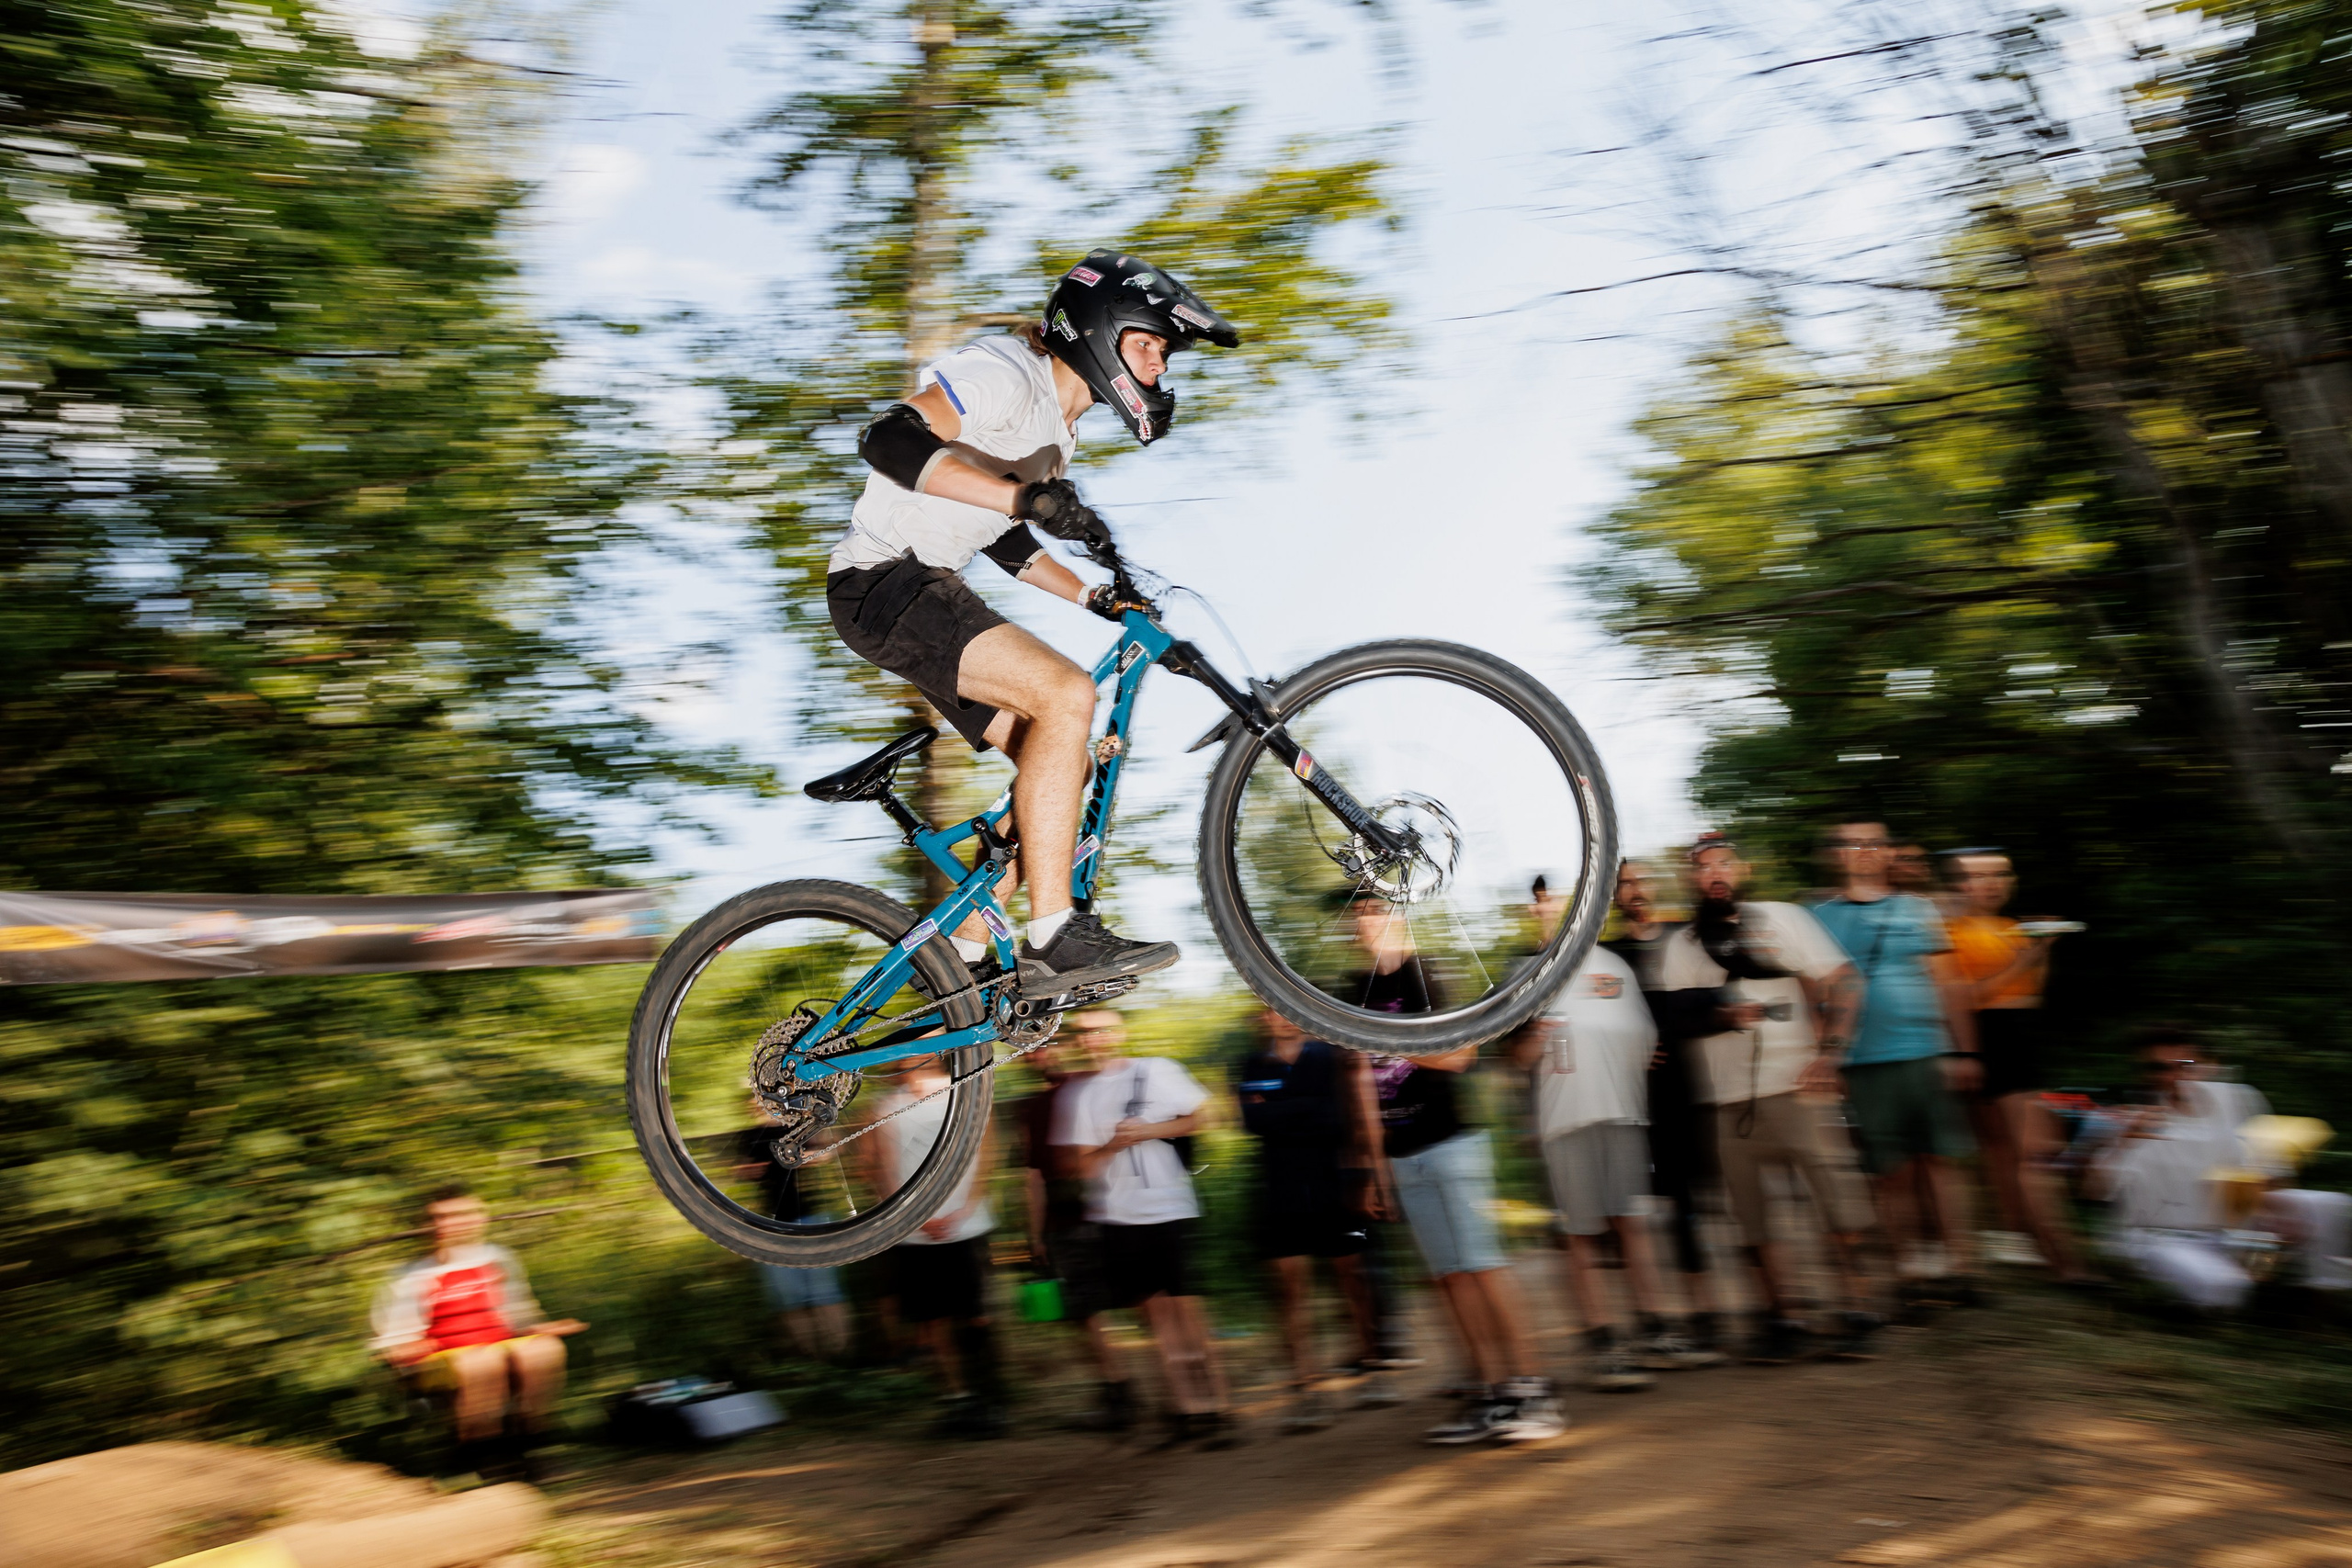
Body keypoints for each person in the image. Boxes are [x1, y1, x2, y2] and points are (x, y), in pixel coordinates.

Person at [828, 250, 1237, 993]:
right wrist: (1023, 497)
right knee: (1067, 694)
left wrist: (1093, 595)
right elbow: (888, 441)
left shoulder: (1059, 431)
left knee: (1064, 761)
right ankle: (1055, 934)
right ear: (1100, 329)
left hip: (918, 590)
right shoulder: (1009, 372)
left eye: (1165, 354)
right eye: (1149, 344)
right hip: (885, 582)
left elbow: (1005, 539)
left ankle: (959, 956)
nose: (1159, 366)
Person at [1656, 834, 1880, 1363]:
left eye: (1725, 863)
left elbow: (1845, 980)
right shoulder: (1681, 944)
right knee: (1753, 1218)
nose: (1715, 873)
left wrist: (1831, 1053)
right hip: (1726, 1100)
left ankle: (1857, 1309)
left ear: (1744, 869)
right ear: (1692, 878)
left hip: (1800, 1084)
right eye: (1704, 867)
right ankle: (1784, 1318)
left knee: (1837, 1202)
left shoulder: (1785, 918)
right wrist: (1722, 1015)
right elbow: (1672, 1019)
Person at [1349, 895, 1560, 1446]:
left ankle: (1534, 1391)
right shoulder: (1356, 990)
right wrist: (1375, 1167)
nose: (1365, 920)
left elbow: (1462, 1055)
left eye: (1376, 909)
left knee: (1482, 1266)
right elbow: (1361, 1082)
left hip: (1452, 1144)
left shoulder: (1428, 971)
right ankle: (1492, 1395)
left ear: (1399, 915)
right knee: (1449, 1278)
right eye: (1359, 912)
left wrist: (1391, 1042)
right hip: (1402, 1156)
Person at [1516, 940, 1716, 1394]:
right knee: (1581, 1236)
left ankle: (1655, 1331)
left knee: (1633, 1226)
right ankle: (1605, 1345)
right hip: (1566, 1123)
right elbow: (1518, 1057)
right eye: (1543, 906)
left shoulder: (1614, 964)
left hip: (1624, 1116)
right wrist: (1536, 1038)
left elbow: (1645, 1039)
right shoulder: (1531, 970)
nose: (1554, 913)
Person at [1812, 822, 1986, 1310]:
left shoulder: (1919, 909)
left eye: (1874, 843)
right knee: (1890, 1173)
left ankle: (1962, 1268)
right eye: (1852, 844)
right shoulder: (1817, 918)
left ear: (1889, 853)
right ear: (1837, 855)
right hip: (1863, 1060)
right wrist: (1827, 1058)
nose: (1864, 851)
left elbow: (1949, 983)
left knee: (1942, 1164)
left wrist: (1964, 1052)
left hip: (1927, 1053)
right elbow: (1813, 992)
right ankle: (1909, 1274)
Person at [1051, 1010, 1240, 1448]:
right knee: (1157, 1319)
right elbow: (1079, 1168)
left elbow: (1206, 1116)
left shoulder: (1157, 1070)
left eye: (1104, 1030)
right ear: (1078, 1041)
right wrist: (1114, 1144)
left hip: (1171, 1210)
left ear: (1120, 1033)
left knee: (1190, 1314)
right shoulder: (1079, 1095)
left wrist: (1149, 1130)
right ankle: (1186, 1411)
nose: (1095, 1038)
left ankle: (1220, 1408)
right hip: (1118, 1218)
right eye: (1086, 1033)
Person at [2091, 1027, 2352, 1311]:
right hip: (2160, 1236)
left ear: (2207, 1065)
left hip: (2231, 1227)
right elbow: (2094, 1191)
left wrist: (2279, 1210)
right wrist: (2124, 1143)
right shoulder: (2131, 1118)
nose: (2173, 1076)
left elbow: (2269, 1168)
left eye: (2185, 1066)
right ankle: (2250, 1297)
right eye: (2158, 1068)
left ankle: (2318, 1298)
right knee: (2220, 1288)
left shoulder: (2234, 1098)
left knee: (2328, 1205)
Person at [1942, 850, 2098, 1287]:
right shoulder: (1950, 932)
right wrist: (2026, 960)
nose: (1992, 883)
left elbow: (2032, 991)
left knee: (2008, 1155)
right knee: (2037, 1154)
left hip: (2023, 1033)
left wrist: (2041, 950)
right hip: (1994, 1036)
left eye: (2001, 874)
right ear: (1959, 885)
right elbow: (1965, 998)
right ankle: (2069, 1262)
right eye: (1979, 876)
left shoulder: (2013, 928)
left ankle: (2032, 1243)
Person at [1598, 860, 1730, 1354]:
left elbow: (1716, 1002)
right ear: (1614, 897)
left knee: (1691, 1204)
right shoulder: (1609, 955)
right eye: (1625, 884)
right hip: (1632, 1096)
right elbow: (1600, 1021)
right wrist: (1630, 1049)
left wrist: (1673, 1032)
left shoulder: (1685, 938)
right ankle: (1655, 1321)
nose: (1635, 890)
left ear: (1657, 886)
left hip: (1691, 1088)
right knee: (1637, 1209)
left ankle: (1706, 1315)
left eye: (1642, 880)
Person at [1236, 1008, 1388, 1431]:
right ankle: (1307, 1389)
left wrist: (1281, 1110)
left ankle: (1372, 1369)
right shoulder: (1252, 1063)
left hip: (1335, 1185)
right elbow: (1252, 1122)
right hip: (1278, 1189)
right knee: (1290, 1292)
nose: (1282, 1017)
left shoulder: (1330, 1056)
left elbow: (1339, 1117)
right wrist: (1306, 1110)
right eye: (1272, 1010)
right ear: (1263, 1017)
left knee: (1353, 1281)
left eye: (1288, 1010)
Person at [371, 1187, 586, 1480]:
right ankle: (480, 1453)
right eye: (440, 1218)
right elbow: (396, 1337)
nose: (449, 1224)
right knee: (481, 1362)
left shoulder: (498, 1260)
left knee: (543, 1351)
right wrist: (403, 1346)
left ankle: (531, 1445)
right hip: (443, 1355)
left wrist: (542, 1328)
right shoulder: (410, 1276)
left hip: (495, 1343)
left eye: (460, 1215)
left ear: (479, 1219)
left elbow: (519, 1315)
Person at [865, 1053, 1007, 1438]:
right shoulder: (883, 1107)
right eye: (907, 1050)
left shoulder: (967, 1094)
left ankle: (992, 1396)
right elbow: (877, 1168)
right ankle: (958, 1401)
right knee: (931, 1321)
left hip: (967, 1226)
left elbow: (988, 1152)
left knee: (977, 1315)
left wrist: (965, 1209)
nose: (915, 1056)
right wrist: (910, 1216)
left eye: (924, 1048)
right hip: (913, 1232)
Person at [1016, 1027, 1130, 1430]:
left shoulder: (1095, 1088)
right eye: (1028, 1049)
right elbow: (1032, 1175)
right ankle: (1117, 1392)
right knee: (1083, 1311)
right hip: (1064, 1219)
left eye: (1044, 1045)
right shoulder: (1031, 1106)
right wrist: (1035, 1234)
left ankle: (1179, 1393)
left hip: (1114, 1210)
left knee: (1140, 1298)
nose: (1037, 1055)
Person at [735, 1107, 851, 1362]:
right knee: (790, 1300)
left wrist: (804, 1157)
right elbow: (739, 1169)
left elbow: (831, 1151)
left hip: (810, 1220)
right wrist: (751, 1170)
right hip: (773, 1225)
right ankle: (810, 1359)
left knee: (825, 1293)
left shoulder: (797, 1127)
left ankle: (838, 1355)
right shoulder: (749, 1135)